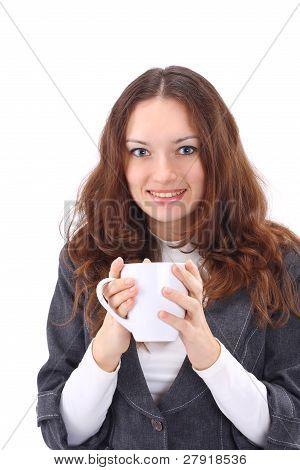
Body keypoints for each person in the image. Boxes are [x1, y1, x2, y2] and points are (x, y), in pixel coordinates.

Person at [36, 65, 300, 450]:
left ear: (218, 156)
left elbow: (291, 430)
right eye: (140, 151)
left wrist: (211, 357)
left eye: (186, 150)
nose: (163, 174)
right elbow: (64, 435)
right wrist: (107, 346)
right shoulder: (83, 260)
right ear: (119, 161)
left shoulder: (278, 263)